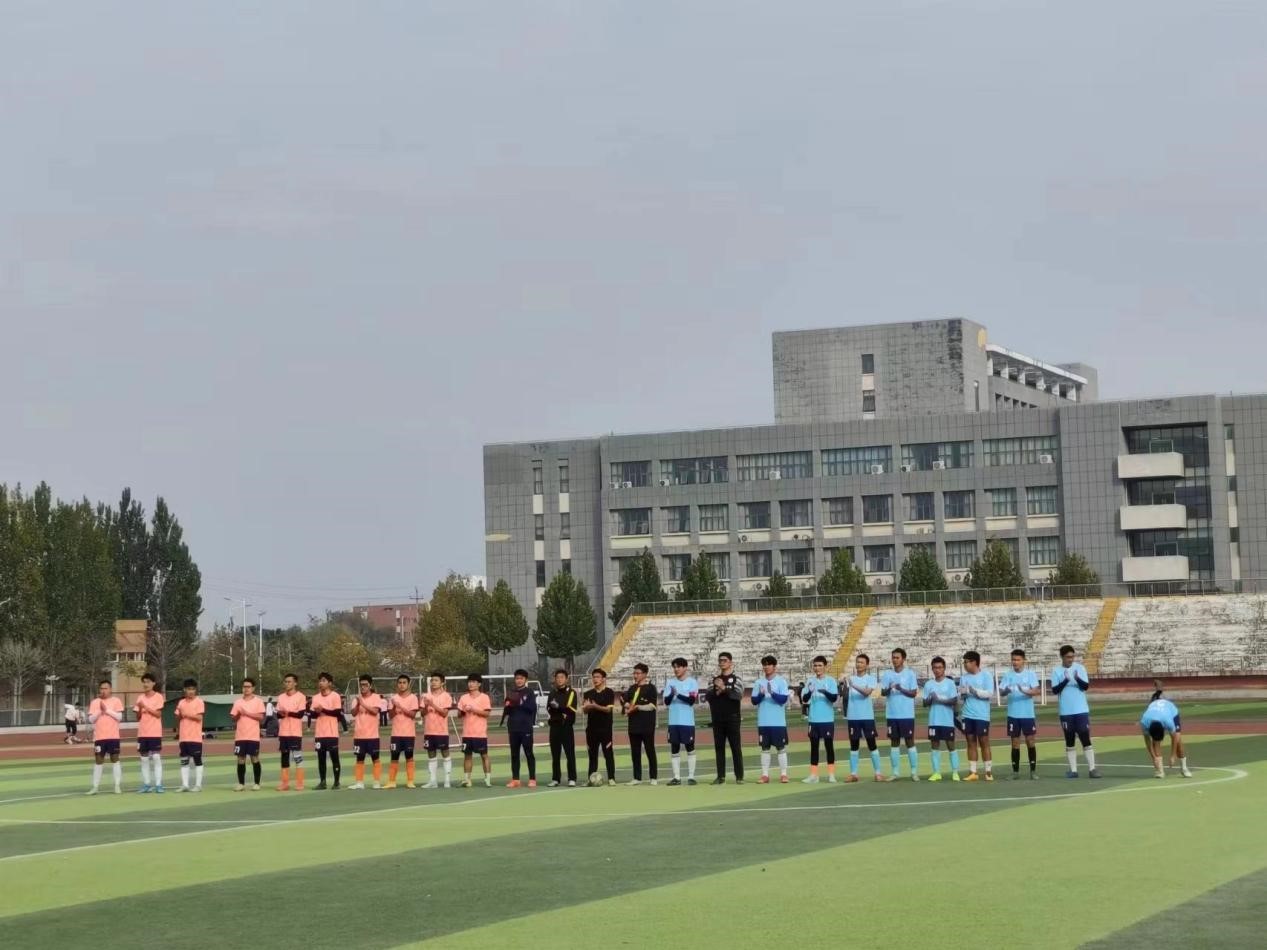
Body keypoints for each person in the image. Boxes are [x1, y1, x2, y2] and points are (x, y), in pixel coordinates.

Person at [1052, 645, 1100, 779]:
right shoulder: (1056, 671)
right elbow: (1055, 690)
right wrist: (1066, 680)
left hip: (1081, 710)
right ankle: (1073, 770)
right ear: (1062, 657)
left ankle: (1092, 769)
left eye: (1072, 657)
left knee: (1085, 737)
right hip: (1066, 711)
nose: (1070, 659)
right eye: (1068, 657)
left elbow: (1085, 686)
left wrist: (1077, 678)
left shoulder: (1080, 668)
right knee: (1069, 739)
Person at [844, 654, 885, 782]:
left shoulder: (870, 679)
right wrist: (845, 686)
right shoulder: (850, 678)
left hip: (867, 716)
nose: (858, 664)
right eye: (857, 662)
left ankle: (878, 773)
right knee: (854, 745)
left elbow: (866, 693)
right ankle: (853, 774)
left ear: (867, 665)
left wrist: (853, 685)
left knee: (871, 744)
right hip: (853, 716)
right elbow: (845, 696)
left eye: (861, 662)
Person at [999, 649, 1040, 780]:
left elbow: (1036, 691)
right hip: (1013, 714)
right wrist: (1006, 690)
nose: (1015, 662)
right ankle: (1015, 772)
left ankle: (1033, 771)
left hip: (1028, 714)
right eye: (1013, 659)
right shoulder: (1008, 675)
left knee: (1030, 741)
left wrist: (1024, 691)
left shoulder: (1030, 674)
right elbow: (1001, 692)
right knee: (1015, 743)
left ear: (1023, 661)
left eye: (1017, 660)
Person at [881, 647, 920, 781]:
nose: (895, 660)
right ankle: (895, 772)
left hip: (906, 714)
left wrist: (901, 688)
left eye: (897, 657)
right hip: (892, 714)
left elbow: (913, 693)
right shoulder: (887, 674)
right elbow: (883, 692)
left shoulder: (910, 674)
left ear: (903, 659)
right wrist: (890, 688)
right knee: (894, 742)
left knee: (909, 741)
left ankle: (914, 772)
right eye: (893, 657)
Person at [750, 654, 790, 784]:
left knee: (780, 747)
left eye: (769, 664)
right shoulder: (758, 682)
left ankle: (784, 774)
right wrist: (761, 694)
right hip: (763, 721)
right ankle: (765, 775)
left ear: (774, 667)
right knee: (765, 748)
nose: (766, 667)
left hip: (778, 722)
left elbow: (783, 700)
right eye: (764, 665)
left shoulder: (781, 681)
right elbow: (754, 701)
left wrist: (772, 693)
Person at [922, 656, 961, 782]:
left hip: (947, 720)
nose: (937, 670)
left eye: (939, 667)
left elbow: (954, 700)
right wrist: (930, 699)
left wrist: (939, 700)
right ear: (932, 669)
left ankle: (955, 772)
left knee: (951, 745)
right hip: (934, 720)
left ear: (944, 668)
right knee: (934, 746)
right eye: (935, 668)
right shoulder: (929, 684)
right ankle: (936, 772)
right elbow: (924, 703)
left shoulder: (950, 683)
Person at [801, 655, 839, 784]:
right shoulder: (810, 681)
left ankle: (831, 774)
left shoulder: (831, 681)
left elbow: (834, 698)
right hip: (813, 719)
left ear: (825, 666)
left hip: (827, 719)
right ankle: (814, 775)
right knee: (814, 747)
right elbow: (805, 699)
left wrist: (824, 692)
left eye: (820, 665)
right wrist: (809, 692)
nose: (817, 668)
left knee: (829, 746)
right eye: (815, 666)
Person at [1140, 684, 1191, 778]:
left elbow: (1174, 738)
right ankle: (1160, 771)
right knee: (1156, 743)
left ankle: (1184, 768)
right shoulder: (1144, 722)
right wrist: (1154, 758)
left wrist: (1173, 756)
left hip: (1171, 711)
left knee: (1178, 742)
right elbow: (1148, 742)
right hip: (1156, 712)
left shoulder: (1168, 721)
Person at [709, 651, 745, 784]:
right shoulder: (714, 679)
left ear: (730, 662)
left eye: (725, 660)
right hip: (717, 718)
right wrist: (717, 691)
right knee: (719, 748)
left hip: (732, 718)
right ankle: (721, 776)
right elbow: (708, 696)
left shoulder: (737, 679)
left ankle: (739, 776)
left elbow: (738, 695)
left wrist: (724, 689)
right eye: (720, 660)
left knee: (736, 747)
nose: (722, 662)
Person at [959, 651, 995, 782]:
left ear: (974, 662)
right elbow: (961, 695)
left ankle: (988, 771)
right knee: (970, 741)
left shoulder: (986, 675)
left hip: (981, 715)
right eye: (964, 662)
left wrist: (975, 691)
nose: (965, 664)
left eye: (967, 662)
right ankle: (973, 772)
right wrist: (962, 693)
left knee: (984, 741)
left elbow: (989, 693)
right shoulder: (964, 678)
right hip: (967, 714)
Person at [663, 657, 699, 786]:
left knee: (690, 747)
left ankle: (691, 776)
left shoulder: (692, 682)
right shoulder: (670, 683)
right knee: (674, 748)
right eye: (674, 667)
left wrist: (677, 694)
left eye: (678, 666)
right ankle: (676, 777)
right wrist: (672, 694)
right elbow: (666, 702)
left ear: (685, 668)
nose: (676, 669)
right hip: (673, 721)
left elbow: (691, 701)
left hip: (687, 722)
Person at [622, 663, 658, 785]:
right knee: (635, 752)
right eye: (634, 673)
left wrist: (637, 707)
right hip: (633, 725)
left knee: (650, 750)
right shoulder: (632, 688)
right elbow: (625, 702)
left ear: (645, 674)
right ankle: (637, 777)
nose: (635, 675)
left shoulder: (651, 688)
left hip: (647, 725)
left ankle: (653, 777)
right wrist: (628, 705)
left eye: (638, 673)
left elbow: (652, 706)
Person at [86, 679, 124, 795]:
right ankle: (95, 787)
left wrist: (106, 710)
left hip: (113, 736)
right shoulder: (95, 702)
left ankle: (117, 785)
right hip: (99, 737)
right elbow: (91, 719)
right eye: (101, 688)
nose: (103, 690)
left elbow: (119, 717)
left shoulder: (116, 701)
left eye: (106, 688)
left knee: (115, 759)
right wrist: (99, 711)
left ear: (110, 689)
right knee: (98, 760)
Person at [309, 672, 345, 790]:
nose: (321, 683)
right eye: (320, 680)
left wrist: (323, 709)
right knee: (321, 758)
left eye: (324, 680)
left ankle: (336, 782)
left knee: (334, 757)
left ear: (330, 683)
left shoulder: (335, 696)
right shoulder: (316, 697)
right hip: (319, 733)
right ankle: (322, 782)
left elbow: (337, 713)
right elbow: (312, 714)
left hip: (332, 733)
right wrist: (316, 712)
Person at [348, 674, 385, 789]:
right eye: (361, 685)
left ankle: (376, 782)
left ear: (370, 685)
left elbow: (375, 711)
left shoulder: (376, 697)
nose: (363, 687)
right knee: (359, 759)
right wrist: (358, 703)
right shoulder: (356, 699)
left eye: (365, 685)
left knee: (375, 758)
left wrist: (363, 703)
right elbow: (353, 713)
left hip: (372, 735)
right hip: (359, 735)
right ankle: (359, 783)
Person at [503, 669, 538, 788]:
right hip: (513, 727)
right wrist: (508, 705)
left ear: (525, 680)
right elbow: (507, 711)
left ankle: (532, 779)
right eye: (517, 678)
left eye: (521, 678)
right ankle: (515, 779)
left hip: (525, 727)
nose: (519, 680)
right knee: (514, 754)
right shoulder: (511, 692)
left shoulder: (529, 692)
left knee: (529, 753)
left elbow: (531, 708)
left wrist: (518, 702)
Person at [457, 674, 493, 788]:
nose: (471, 684)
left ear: (479, 684)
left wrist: (473, 709)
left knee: (484, 755)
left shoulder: (484, 697)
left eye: (473, 682)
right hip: (467, 733)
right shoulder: (464, 698)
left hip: (480, 733)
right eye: (469, 682)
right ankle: (467, 780)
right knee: (467, 756)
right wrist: (463, 711)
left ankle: (487, 779)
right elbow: (459, 715)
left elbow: (487, 713)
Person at [386, 673, 421, 789]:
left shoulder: (413, 698)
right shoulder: (393, 698)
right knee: (394, 757)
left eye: (404, 683)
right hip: (396, 734)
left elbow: (412, 715)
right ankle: (391, 781)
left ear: (408, 684)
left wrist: (400, 706)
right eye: (400, 683)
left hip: (408, 734)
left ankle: (410, 781)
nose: (402, 685)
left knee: (409, 757)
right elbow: (390, 716)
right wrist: (394, 707)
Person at [230, 677, 266, 791]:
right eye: (244, 686)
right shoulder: (237, 702)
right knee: (240, 759)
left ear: (253, 688)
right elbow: (233, 718)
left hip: (253, 736)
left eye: (248, 687)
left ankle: (257, 783)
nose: (246, 689)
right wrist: (238, 715)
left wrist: (247, 713)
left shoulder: (258, 701)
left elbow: (261, 717)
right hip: (240, 736)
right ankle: (241, 784)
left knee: (254, 758)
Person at [582, 668, 617, 784]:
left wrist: (595, 706)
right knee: (592, 755)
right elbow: (584, 711)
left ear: (603, 679)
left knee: (608, 753)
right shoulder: (588, 694)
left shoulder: (609, 692)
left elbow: (608, 709)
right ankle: (591, 779)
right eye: (594, 677)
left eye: (597, 677)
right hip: (591, 729)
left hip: (605, 729)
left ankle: (611, 778)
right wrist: (586, 707)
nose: (595, 679)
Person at [133, 672, 166, 794]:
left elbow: (158, 714)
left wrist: (145, 707)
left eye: (148, 682)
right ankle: (147, 784)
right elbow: (138, 717)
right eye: (144, 682)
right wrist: (140, 709)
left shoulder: (158, 697)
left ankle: (158, 784)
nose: (146, 684)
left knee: (156, 757)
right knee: (144, 759)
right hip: (143, 733)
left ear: (153, 683)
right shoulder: (140, 698)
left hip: (154, 732)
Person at [275, 673, 308, 791]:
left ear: (295, 683)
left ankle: (300, 783)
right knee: (284, 757)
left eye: (289, 681)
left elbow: (300, 714)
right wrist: (282, 713)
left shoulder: (301, 696)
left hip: (295, 732)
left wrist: (288, 713)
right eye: (285, 682)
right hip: (283, 732)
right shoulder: (281, 697)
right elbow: (278, 713)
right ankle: (285, 783)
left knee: (297, 757)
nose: (287, 684)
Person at [421, 671, 454, 789]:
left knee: (445, 754)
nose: (433, 682)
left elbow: (444, 713)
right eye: (432, 680)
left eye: (436, 680)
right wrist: (426, 705)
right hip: (429, 731)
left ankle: (447, 780)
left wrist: (432, 704)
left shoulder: (446, 696)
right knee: (431, 755)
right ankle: (433, 781)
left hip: (441, 731)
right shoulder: (426, 696)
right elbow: (422, 713)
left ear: (442, 682)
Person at [546, 669, 579, 787]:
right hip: (554, 727)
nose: (559, 679)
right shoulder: (552, 692)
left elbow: (570, 709)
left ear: (566, 679)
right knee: (555, 755)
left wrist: (558, 708)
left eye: (562, 677)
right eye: (557, 677)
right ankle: (556, 778)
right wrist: (560, 710)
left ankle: (572, 778)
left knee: (570, 754)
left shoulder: (571, 692)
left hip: (566, 727)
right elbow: (549, 708)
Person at [174, 678, 206, 793]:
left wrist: (187, 714)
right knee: (184, 761)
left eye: (193, 689)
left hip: (195, 737)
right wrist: (180, 715)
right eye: (188, 689)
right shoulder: (181, 702)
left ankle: (198, 785)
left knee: (197, 760)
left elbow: (199, 717)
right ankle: (185, 785)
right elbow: (177, 716)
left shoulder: (199, 702)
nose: (191, 691)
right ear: (184, 690)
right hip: (183, 737)